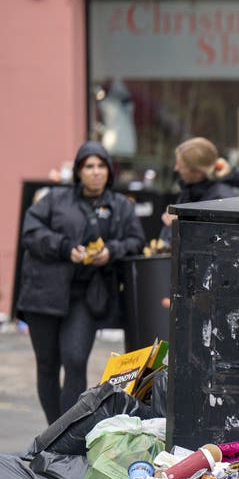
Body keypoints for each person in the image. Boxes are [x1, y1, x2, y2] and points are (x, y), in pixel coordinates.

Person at [18, 141, 145, 424]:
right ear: (78, 171)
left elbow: (137, 241)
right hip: (44, 293)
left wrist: (111, 251)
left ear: (109, 172)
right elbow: (31, 232)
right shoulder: (54, 200)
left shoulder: (121, 206)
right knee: (48, 366)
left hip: (87, 297)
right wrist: (64, 247)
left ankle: (66, 432)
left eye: (101, 166)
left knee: (75, 360)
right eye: (89, 166)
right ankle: (54, 430)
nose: (96, 172)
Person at [159, 137, 239, 249]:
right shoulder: (191, 190)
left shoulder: (222, 199)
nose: (176, 169)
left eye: (180, 165)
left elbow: (215, 245)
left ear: (198, 172)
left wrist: (177, 225)